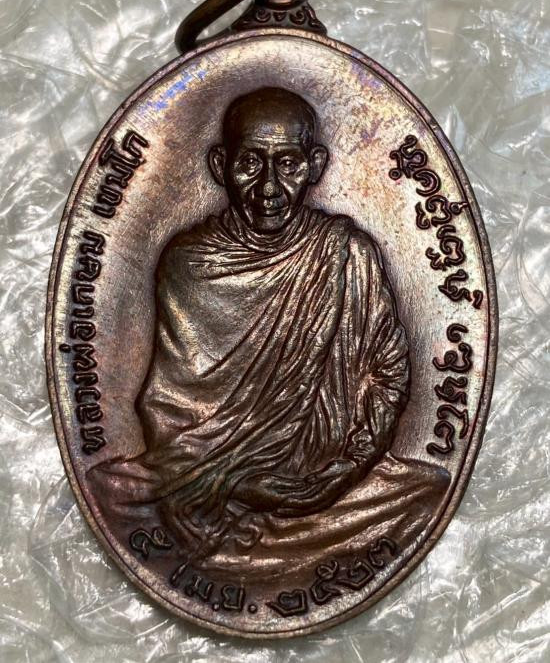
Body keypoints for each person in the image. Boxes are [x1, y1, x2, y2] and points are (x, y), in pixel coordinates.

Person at [90, 87, 447, 562]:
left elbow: (389, 375)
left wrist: (343, 471)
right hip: (210, 476)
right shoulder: (190, 263)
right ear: (220, 165)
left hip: (331, 475)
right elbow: (170, 411)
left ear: (315, 165)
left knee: (427, 488)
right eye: (250, 163)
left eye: (289, 164)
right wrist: (235, 480)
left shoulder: (347, 254)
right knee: (111, 490)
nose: (269, 189)